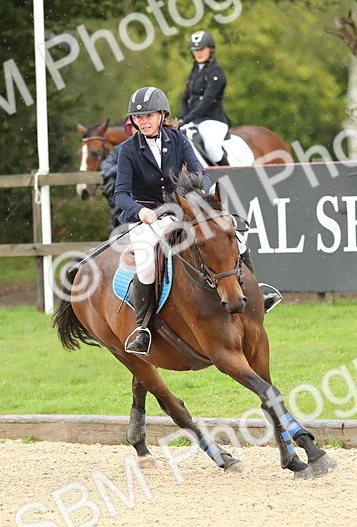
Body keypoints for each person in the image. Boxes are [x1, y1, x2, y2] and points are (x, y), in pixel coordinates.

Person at [113, 86, 281, 356]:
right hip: (147, 216)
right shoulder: (128, 150)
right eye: (138, 117)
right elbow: (120, 193)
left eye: (148, 116)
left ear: (162, 115)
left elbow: (199, 170)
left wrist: (202, 192)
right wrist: (139, 211)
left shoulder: (177, 139)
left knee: (233, 234)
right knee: (145, 263)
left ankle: (256, 290)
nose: (143, 122)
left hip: (181, 210)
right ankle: (143, 328)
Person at [178, 30, 231, 166]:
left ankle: (230, 173)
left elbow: (207, 101)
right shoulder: (196, 71)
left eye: (202, 49)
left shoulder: (216, 72)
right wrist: (182, 118)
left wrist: (187, 119)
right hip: (194, 120)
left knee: (212, 148)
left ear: (211, 49)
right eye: (195, 50)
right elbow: (185, 99)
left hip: (212, 120)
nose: (199, 53)